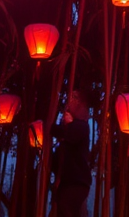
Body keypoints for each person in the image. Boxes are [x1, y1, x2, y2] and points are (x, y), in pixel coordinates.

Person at [51, 88, 92, 217]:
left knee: (66, 207)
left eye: (75, 97)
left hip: (77, 181)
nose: (70, 100)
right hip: (67, 181)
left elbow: (69, 134)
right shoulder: (72, 129)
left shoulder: (82, 126)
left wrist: (69, 124)